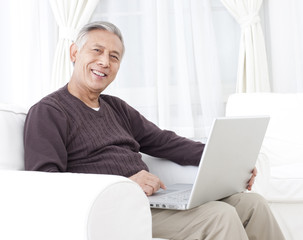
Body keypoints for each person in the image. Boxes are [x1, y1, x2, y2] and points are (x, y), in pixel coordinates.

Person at [24, 21, 285, 240]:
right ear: (74, 53)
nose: (104, 61)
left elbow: (164, 142)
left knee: (253, 204)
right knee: (220, 215)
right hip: (113, 212)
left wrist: (228, 161)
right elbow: (46, 186)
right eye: (96, 51)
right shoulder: (49, 111)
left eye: (114, 57)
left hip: (148, 202)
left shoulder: (116, 107)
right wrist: (124, 185)